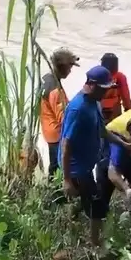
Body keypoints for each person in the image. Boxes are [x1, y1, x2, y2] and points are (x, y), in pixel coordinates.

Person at [59, 65, 116, 247]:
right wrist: (67, 178)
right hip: (77, 167)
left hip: (87, 163)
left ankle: (73, 233)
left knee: (80, 201)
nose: (105, 94)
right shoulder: (78, 108)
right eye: (102, 89)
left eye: (107, 89)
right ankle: (94, 244)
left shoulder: (95, 102)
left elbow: (102, 130)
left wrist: (123, 143)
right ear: (91, 85)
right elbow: (66, 144)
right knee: (96, 205)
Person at [40, 48, 80, 178]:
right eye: (70, 67)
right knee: (58, 166)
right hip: (56, 133)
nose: (70, 71)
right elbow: (63, 118)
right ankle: (55, 193)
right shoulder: (55, 91)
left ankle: (52, 191)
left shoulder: (46, 79)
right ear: (62, 67)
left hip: (47, 128)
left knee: (54, 164)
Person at [99, 53, 131, 123]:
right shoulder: (120, 76)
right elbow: (125, 96)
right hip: (114, 110)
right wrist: (128, 111)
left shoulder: (96, 74)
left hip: (98, 108)